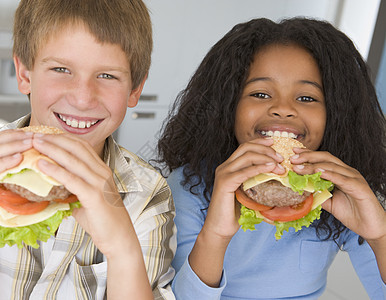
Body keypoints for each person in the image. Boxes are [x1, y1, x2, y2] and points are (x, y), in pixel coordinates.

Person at [0, 0, 176, 299]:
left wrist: (121, 248)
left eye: (107, 76)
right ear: (24, 75)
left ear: (135, 88)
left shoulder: (147, 193)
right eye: (61, 69)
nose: (83, 97)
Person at [157, 17, 386, 299]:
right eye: (261, 93)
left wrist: (380, 236)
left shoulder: (341, 190)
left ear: (337, 114)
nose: (282, 109)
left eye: (306, 98)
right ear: (227, 106)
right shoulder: (188, 186)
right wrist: (216, 234)